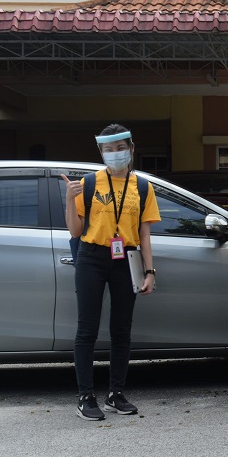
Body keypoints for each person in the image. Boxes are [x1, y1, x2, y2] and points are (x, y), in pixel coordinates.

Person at [63, 124, 161, 421]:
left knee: (121, 330)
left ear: (131, 149)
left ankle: (115, 394)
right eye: (109, 149)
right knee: (87, 329)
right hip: (92, 257)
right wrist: (69, 198)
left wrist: (150, 271)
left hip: (125, 259)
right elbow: (75, 230)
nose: (115, 154)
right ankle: (85, 396)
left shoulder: (143, 187)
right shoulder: (89, 184)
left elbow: (144, 235)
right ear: (101, 152)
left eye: (121, 148)